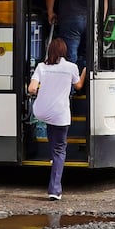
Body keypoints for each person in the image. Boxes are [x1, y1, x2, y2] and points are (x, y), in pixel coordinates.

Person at [28, 37, 87, 200]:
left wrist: (42, 90)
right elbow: (78, 86)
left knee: (52, 138)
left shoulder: (41, 67)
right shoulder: (71, 67)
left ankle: (52, 158)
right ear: (64, 51)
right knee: (60, 151)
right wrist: (84, 71)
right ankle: (54, 190)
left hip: (42, 112)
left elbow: (32, 88)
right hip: (60, 114)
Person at [45, 0, 88, 70]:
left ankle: (69, 85)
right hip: (90, 19)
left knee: (70, 58)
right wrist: (101, 20)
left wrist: (50, 12)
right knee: (89, 56)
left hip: (70, 18)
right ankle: (83, 83)